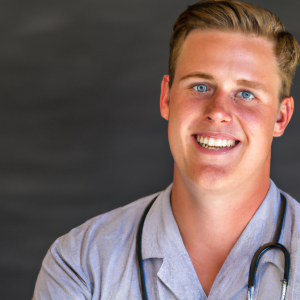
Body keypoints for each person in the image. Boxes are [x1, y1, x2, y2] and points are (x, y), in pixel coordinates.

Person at [32, 0, 300, 299]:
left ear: (280, 117)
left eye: (246, 93)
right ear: (166, 98)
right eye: (200, 86)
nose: (218, 111)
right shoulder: (80, 262)